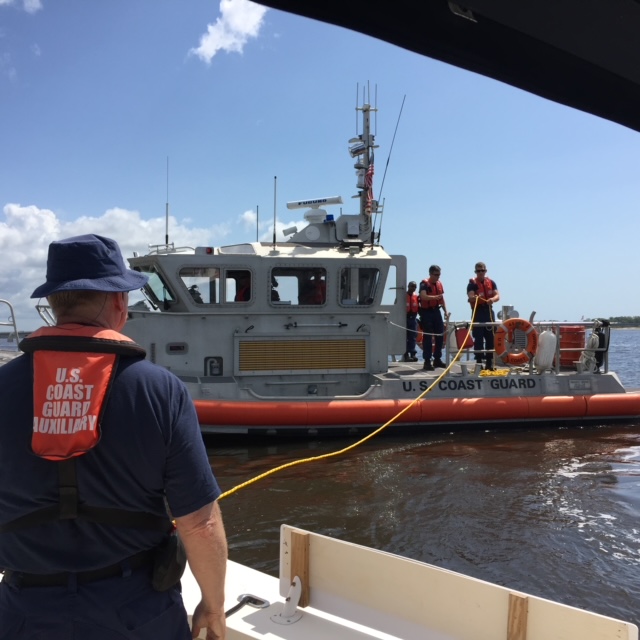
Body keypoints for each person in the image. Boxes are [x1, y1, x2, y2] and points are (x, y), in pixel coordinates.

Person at [0, 234, 227, 640]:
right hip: (136, 613)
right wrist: (213, 605)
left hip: (24, 612)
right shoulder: (161, 390)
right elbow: (200, 524)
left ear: (54, 303)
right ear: (119, 303)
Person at [467, 261, 500, 370]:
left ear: (485, 271)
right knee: (479, 337)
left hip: (489, 311)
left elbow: (497, 295)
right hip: (478, 312)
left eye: (483, 270)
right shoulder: (472, 284)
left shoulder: (491, 282)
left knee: (490, 337)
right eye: (478, 271)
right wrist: (474, 298)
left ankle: (489, 362)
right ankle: (479, 362)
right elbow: (470, 296)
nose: (481, 273)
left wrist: (492, 299)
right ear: (476, 272)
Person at [419, 265, 450, 371]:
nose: (438, 277)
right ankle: (427, 361)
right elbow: (423, 296)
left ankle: (437, 358)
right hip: (427, 312)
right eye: (436, 275)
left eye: (439, 275)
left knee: (440, 335)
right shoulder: (424, 284)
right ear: (430, 274)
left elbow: (442, 299)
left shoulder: (439, 284)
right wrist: (433, 297)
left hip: (436, 311)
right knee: (427, 337)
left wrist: (445, 311)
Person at [404, 281, 419, 362]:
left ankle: (413, 354)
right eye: (412, 286)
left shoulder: (416, 297)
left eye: (414, 287)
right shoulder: (403, 296)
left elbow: (419, 308)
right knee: (405, 337)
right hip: (404, 318)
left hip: (413, 318)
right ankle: (405, 354)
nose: (413, 288)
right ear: (408, 286)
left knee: (413, 337)